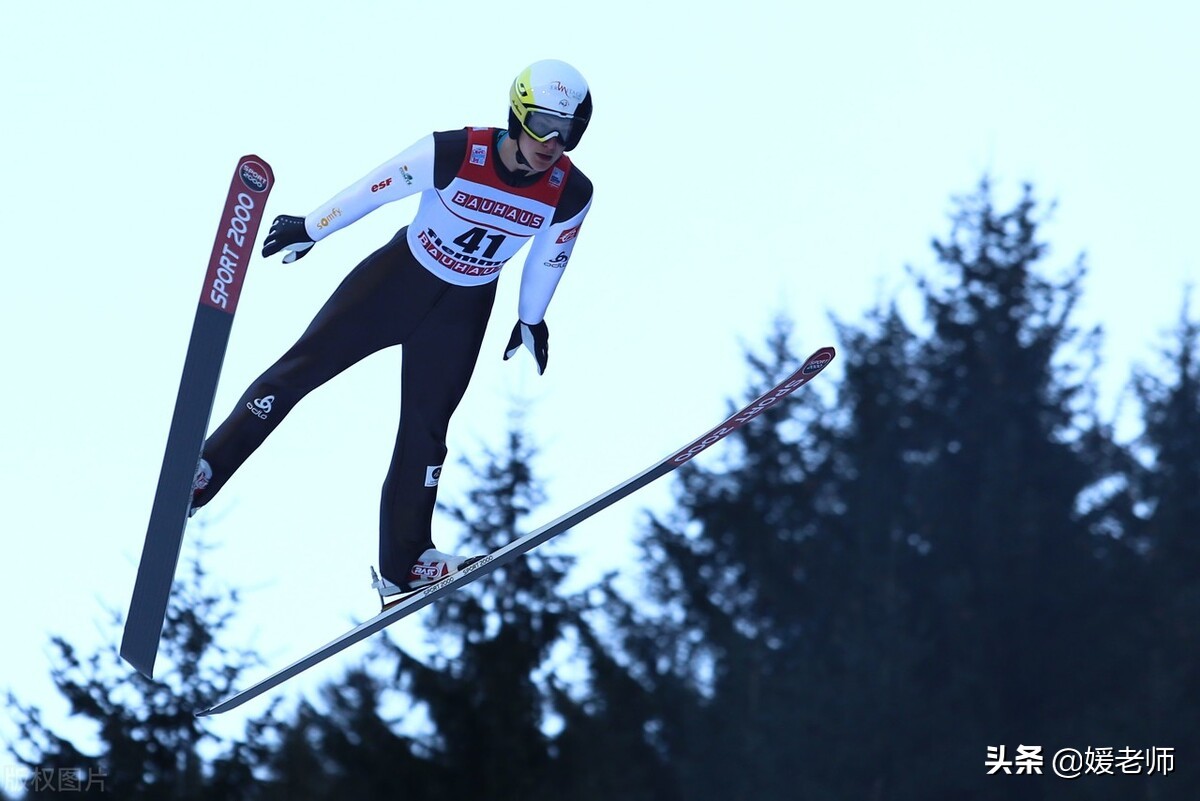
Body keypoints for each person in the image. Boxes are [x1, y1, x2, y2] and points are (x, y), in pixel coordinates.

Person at [188, 59, 594, 608]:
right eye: (543, 124)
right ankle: (206, 469)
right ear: (518, 114)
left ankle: (406, 563)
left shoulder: (570, 191)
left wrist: (530, 318)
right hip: (397, 281)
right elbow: (375, 188)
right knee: (301, 370)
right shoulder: (455, 151)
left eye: (566, 131)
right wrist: (313, 227)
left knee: (427, 434)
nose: (552, 142)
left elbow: (551, 257)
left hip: (463, 310)